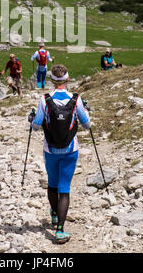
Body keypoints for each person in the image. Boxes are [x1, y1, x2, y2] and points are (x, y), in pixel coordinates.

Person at [28, 64, 91, 244]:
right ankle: (60, 230)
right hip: (71, 149)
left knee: (52, 183)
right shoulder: (76, 99)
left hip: (50, 149)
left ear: (52, 81)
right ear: (68, 79)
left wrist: (31, 118)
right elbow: (87, 125)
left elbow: (36, 126)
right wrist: (86, 111)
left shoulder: (44, 99)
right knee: (65, 188)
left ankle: (54, 214)